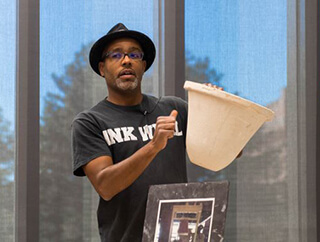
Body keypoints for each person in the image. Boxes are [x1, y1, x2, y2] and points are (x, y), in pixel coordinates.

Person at [71, 23, 189, 241]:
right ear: (102, 68)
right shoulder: (90, 122)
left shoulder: (175, 109)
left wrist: (214, 107)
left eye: (134, 54)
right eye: (115, 55)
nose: (126, 60)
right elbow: (105, 185)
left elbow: (228, 152)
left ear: (143, 65)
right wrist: (153, 146)